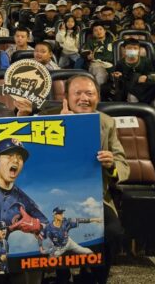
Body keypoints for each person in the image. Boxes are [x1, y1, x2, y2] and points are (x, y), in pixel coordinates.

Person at [42, 74, 129, 283]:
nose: (84, 98)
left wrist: (111, 165)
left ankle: (94, 277)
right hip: (53, 197)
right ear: (66, 98)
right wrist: (63, 127)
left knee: (112, 232)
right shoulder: (47, 120)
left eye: (89, 93)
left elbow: (123, 164)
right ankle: (60, 275)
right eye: (78, 93)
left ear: (98, 97)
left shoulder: (106, 122)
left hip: (94, 197)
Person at [112, 38, 155, 104]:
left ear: (139, 50)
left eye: (135, 48)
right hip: (128, 87)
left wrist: (146, 77)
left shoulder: (146, 61)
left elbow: (153, 74)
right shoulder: (120, 63)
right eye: (129, 48)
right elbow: (119, 78)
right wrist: (118, 76)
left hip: (143, 86)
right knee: (134, 76)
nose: (132, 50)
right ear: (124, 49)